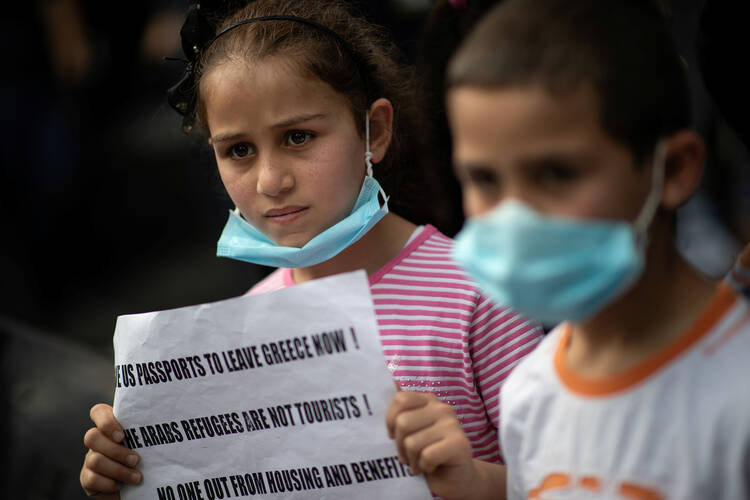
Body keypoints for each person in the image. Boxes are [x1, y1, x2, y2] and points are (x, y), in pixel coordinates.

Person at [78, 1, 544, 497]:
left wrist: (470, 480)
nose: (271, 181)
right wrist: (135, 475)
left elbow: (569, 476)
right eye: (238, 150)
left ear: (376, 131)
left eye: (298, 137)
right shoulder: (242, 328)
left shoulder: (477, 294)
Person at [387, 0, 750, 498]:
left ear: (674, 170)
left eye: (556, 174)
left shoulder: (737, 397)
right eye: (484, 179)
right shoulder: (529, 393)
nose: (515, 218)